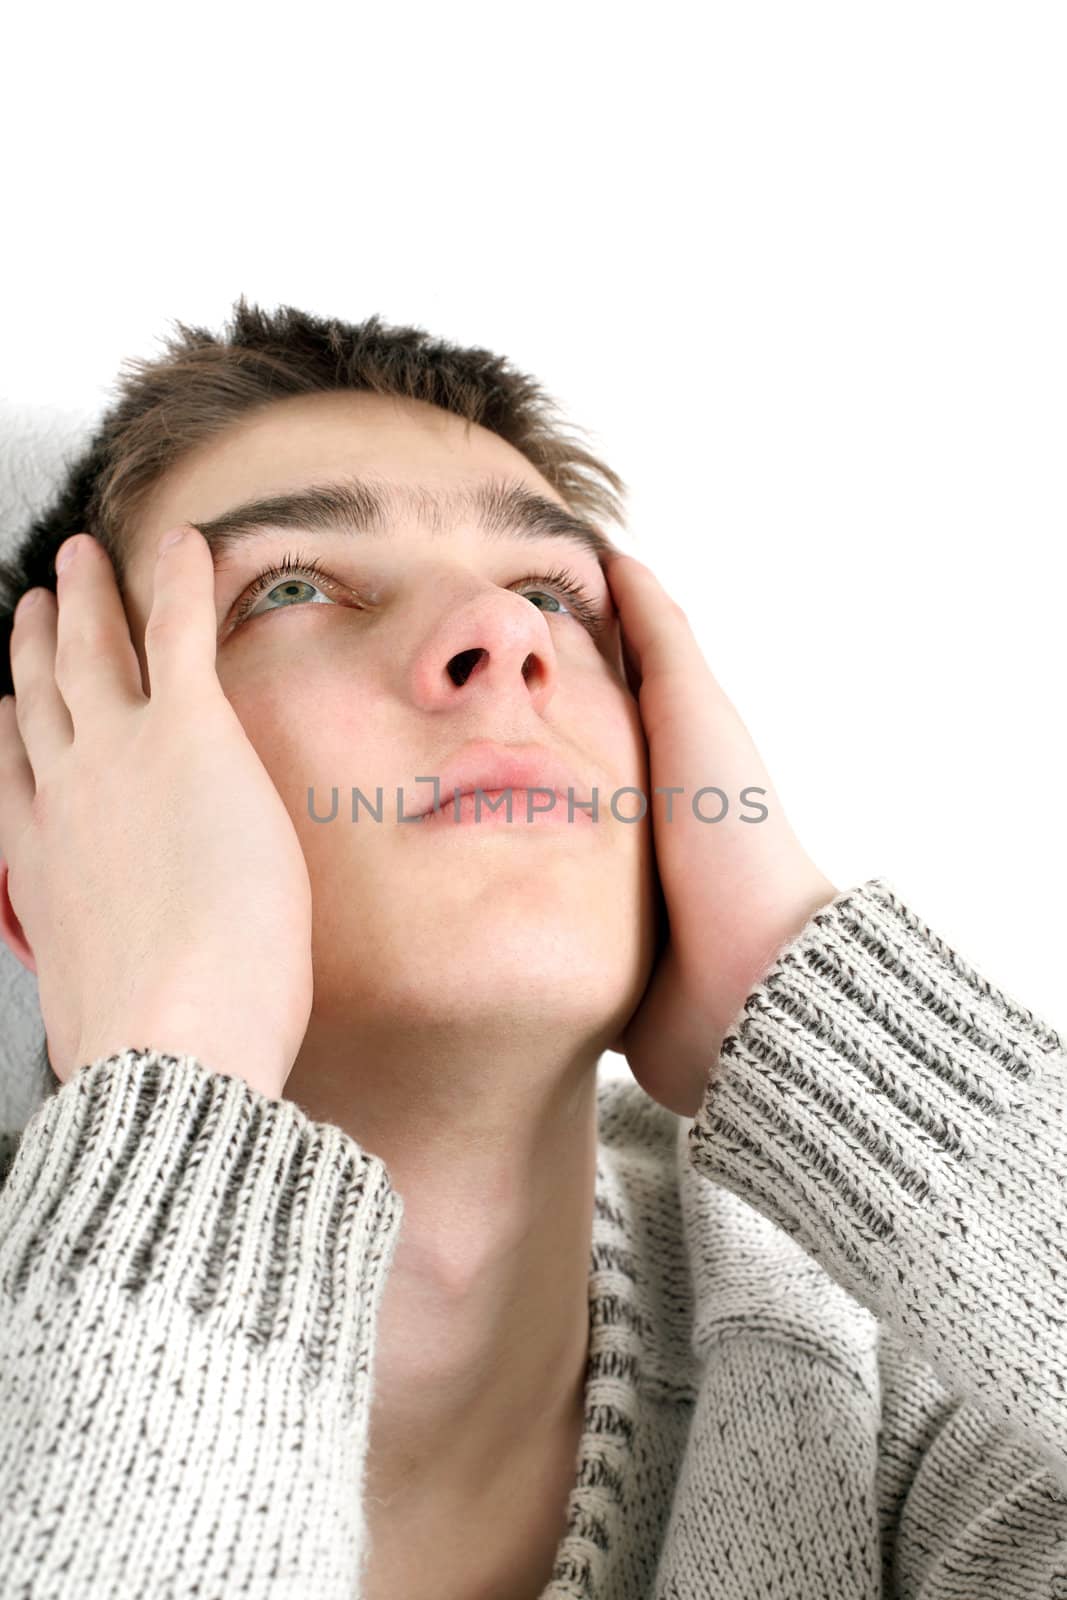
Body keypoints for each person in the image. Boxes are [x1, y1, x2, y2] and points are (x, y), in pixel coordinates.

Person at [0, 299, 1062, 1598]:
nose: (501, 640)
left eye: (553, 595)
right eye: (289, 586)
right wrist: (178, 1095)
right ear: (53, 850)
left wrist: (807, 992)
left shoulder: (928, 1392)